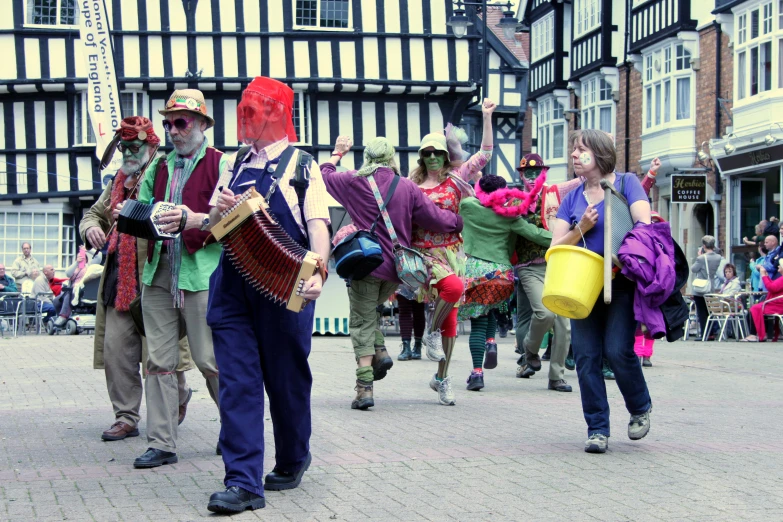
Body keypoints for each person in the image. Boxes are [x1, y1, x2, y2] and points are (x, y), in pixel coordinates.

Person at [205, 77, 331, 513]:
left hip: (285, 285)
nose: (243, 117)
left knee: (287, 379)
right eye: (243, 110)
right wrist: (215, 210)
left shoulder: (303, 165)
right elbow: (212, 223)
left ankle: (295, 456)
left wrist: (321, 269)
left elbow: (318, 225)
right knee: (237, 383)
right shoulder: (233, 162)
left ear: (276, 112)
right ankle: (243, 482)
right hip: (233, 285)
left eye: (251, 110)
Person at [116, 90, 226, 469]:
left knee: (210, 361)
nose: (173, 131)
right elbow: (144, 212)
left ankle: (235, 431)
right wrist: (127, 214)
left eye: (180, 122)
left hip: (202, 275)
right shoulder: (158, 166)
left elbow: (230, 223)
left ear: (201, 125)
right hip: (159, 272)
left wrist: (194, 220)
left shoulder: (221, 164)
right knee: (159, 362)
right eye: (168, 123)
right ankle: (162, 442)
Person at [322, 135, 465, 410]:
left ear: (367, 157)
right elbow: (434, 217)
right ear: (391, 159)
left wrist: (338, 152)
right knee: (368, 311)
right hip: (396, 272)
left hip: (365, 263)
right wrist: (458, 221)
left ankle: (364, 387)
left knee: (360, 321)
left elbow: (324, 173)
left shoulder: (353, 181)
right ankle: (380, 350)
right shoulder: (407, 187)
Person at [81, 116, 195, 443]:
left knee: (162, 354)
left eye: (134, 146)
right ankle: (125, 415)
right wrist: (90, 227)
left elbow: (176, 214)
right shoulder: (118, 179)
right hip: (120, 282)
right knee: (117, 353)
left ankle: (177, 400)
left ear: (150, 146)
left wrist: (135, 212)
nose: (128, 152)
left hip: (156, 277)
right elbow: (94, 214)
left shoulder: (165, 172)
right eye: (124, 147)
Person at [550, 129, 653, 454]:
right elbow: (555, 246)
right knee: (585, 357)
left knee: (618, 350)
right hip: (582, 285)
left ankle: (639, 407)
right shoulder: (572, 199)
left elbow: (644, 225)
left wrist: (624, 253)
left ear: (599, 152)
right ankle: (597, 429)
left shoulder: (626, 184)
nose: (575, 156)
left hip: (621, 283)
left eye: (581, 149)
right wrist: (583, 227)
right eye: (573, 150)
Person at [410, 98, 497, 405]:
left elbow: (485, 154)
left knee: (451, 324)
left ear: (446, 155)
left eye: (437, 152)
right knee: (454, 288)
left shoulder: (457, 181)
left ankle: (442, 378)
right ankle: (429, 333)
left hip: (453, 255)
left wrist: (486, 116)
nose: (432, 157)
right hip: (424, 257)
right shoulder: (412, 187)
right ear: (421, 157)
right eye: (426, 153)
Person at [458, 174, 552, 392]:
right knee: (490, 309)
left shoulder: (468, 207)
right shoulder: (510, 216)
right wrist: (572, 236)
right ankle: (491, 341)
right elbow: (537, 235)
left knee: (478, 322)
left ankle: (476, 373)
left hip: (476, 274)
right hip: (502, 276)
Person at [513, 153, 575, 392]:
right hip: (529, 266)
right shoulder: (515, 200)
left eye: (536, 171)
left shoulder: (556, 192)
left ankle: (556, 376)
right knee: (544, 314)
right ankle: (530, 349)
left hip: (556, 263)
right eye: (527, 172)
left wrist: (601, 148)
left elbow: (582, 180)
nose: (531, 176)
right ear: (520, 174)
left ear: (543, 173)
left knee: (564, 324)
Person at [51, 246, 101, 326]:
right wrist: (77, 263)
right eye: (79, 257)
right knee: (56, 300)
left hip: (82, 291)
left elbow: (99, 256)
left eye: (83, 257)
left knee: (69, 294)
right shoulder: (74, 268)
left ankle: (63, 316)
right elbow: (67, 273)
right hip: (73, 290)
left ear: (87, 259)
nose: (81, 258)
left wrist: (88, 249)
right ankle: (61, 318)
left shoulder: (89, 266)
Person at [690, 236, 726, 339]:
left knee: (701, 312)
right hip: (711, 286)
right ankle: (710, 332)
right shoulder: (718, 257)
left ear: (704, 246)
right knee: (709, 311)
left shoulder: (701, 258)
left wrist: (700, 255)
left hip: (701, 288)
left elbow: (693, 269)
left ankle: (704, 334)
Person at [744, 260, 783, 342]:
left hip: (777, 306)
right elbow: (773, 285)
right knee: (755, 308)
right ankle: (760, 333)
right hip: (777, 304)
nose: (778, 266)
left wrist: (763, 275)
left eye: (780, 265)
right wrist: (766, 276)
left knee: (754, 308)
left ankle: (754, 334)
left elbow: (772, 288)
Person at [396, 287, 426, 361]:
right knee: (404, 311)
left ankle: (417, 346)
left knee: (419, 311)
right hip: (402, 279)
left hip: (420, 280)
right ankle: (406, 348)